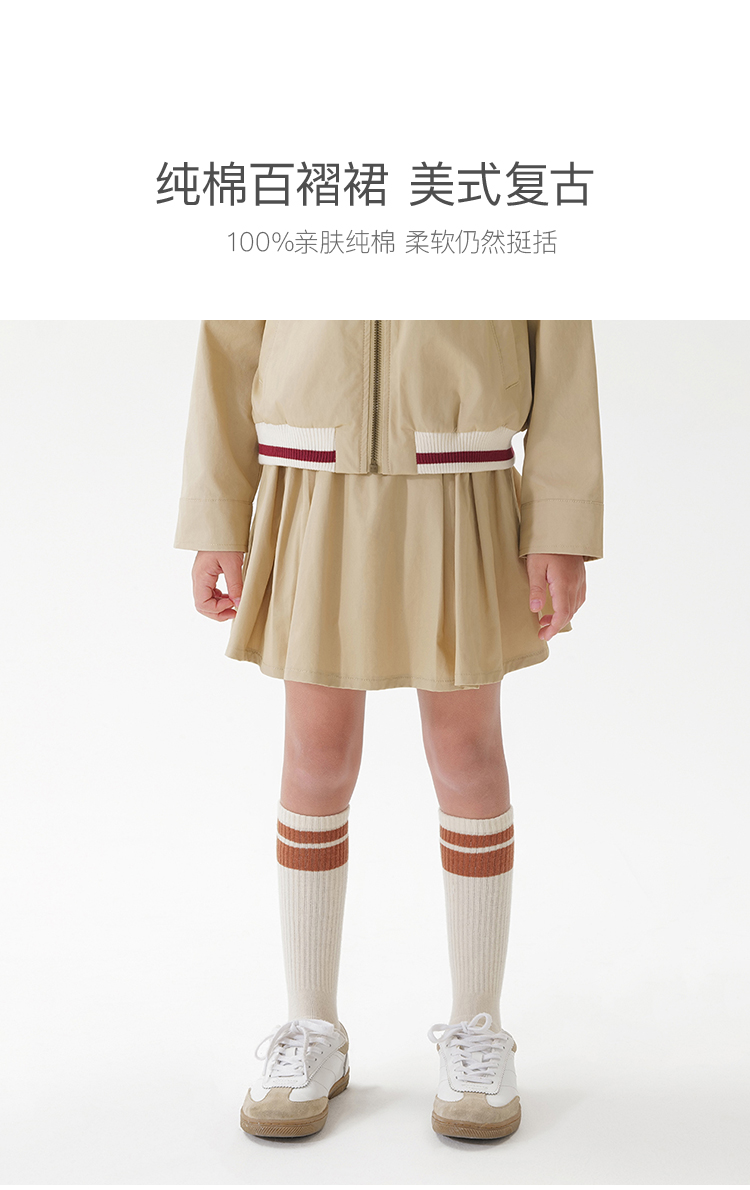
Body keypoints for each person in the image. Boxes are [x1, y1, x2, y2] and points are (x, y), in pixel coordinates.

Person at [174, 320, 604, 1141]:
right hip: (311, 479)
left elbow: (561, 341)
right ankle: (312, 1026)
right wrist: (217, 515)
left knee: (468, 754)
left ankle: (478, 1024)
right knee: (315, 756)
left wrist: (561, 523)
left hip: (462, 478)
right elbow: (228, 338)